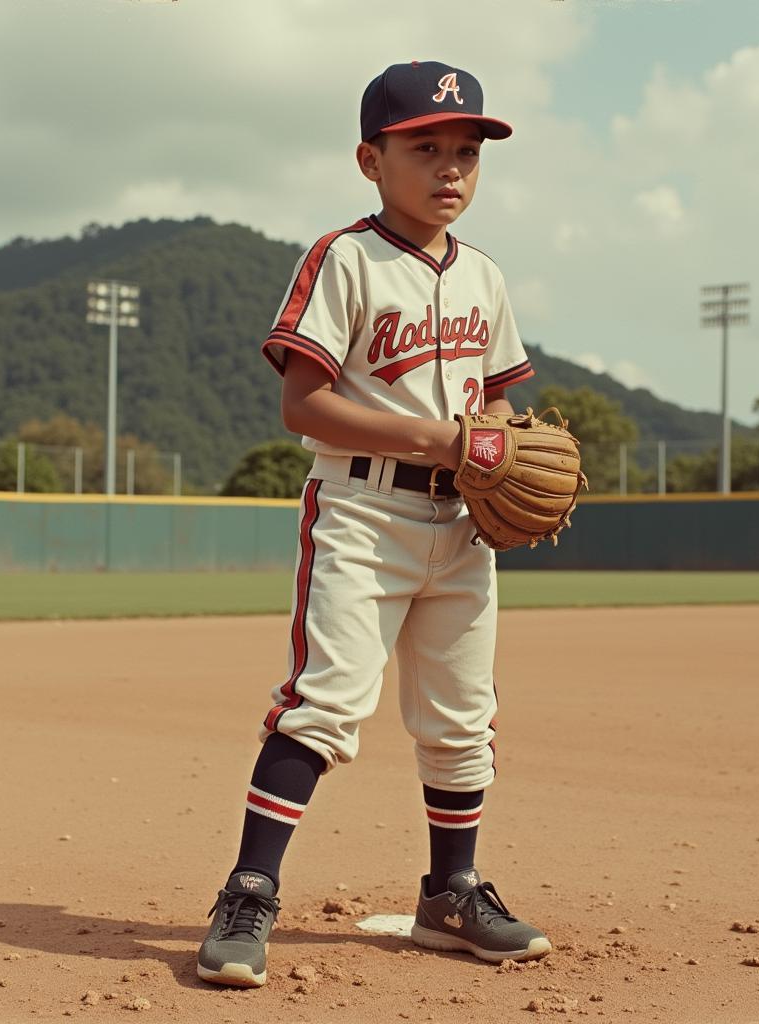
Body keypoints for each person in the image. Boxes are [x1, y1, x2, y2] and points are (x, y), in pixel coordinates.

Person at [196, 59, 552, 989]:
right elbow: (304, 405)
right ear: (370, 159)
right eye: (425, 147)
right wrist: (440, 436)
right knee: (327, 703)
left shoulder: (486, 277)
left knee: (462, 720)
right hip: (361, 510)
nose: (450, 169)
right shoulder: (343, 258)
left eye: (467, 152)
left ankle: (452, 892)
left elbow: (504, 407)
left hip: (461, 527)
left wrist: (507, 451)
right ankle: (249, 889)